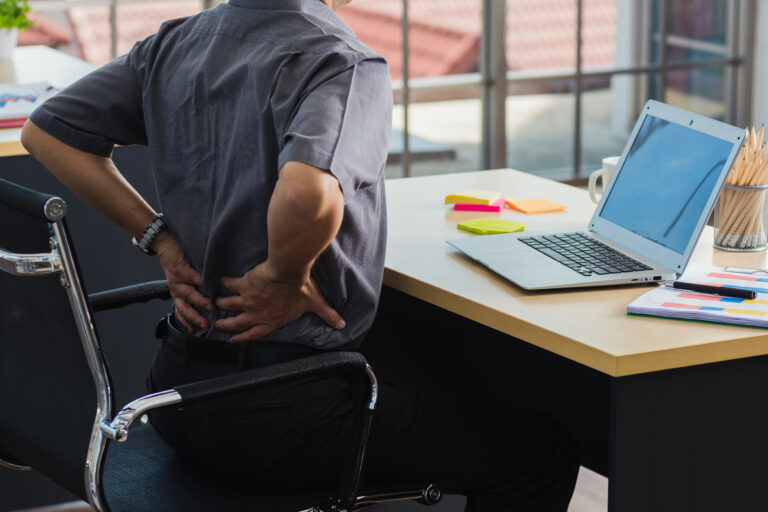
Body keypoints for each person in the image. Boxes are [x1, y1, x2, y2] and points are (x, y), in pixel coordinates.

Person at [21, 0, 579, 509]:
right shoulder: (340, 62)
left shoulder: (176, 43)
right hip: (286, 420)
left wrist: (159, 240)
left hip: (177, 399)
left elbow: (46, 132)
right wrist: (282, 277)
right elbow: (308, 192)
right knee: (541, 449)